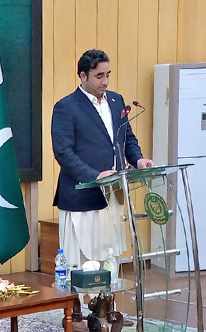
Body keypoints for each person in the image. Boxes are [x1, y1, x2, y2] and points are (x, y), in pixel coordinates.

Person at [51, 49, 154, 270]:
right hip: (82, 197)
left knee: (110, 261)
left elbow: (127, 138)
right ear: (83, 75)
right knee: (80, 265)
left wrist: (138, 161)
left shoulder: (117, 101)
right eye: (99, 76)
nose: (105, 81)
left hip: (112, 194)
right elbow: (63, 152)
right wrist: (95, 176)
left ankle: (107, 304)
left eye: (108, 74)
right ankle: (79, 305)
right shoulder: (66, 107)